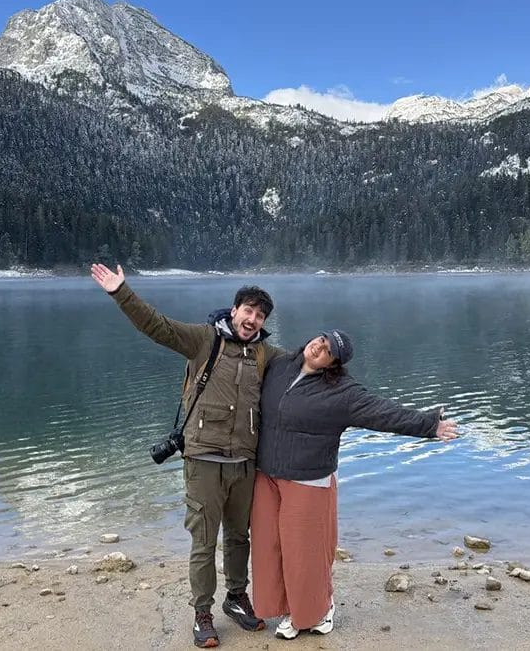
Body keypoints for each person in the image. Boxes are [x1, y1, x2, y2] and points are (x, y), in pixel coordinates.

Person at [90, 263, 283, 649]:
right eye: (248, 310)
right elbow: (156, 325)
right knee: (203, 542)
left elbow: (302, 368)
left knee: (239, 538)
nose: (253, 319)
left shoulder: (265, 354)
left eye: (260, 315)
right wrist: (120, 292)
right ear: (234, 311)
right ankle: (202, 613)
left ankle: (236, 598)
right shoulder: (203, 340)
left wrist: (330, 360)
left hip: (244, 464)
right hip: (204, 461)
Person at [250, 329, 460, 639]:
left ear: (333, 363)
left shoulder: (343, 393)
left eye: (328, 350)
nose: (319, 347)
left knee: (304, 551)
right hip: (267, 474)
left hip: (308, 478)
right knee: (269, 546)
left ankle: (316, 612)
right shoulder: (280, 366)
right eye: (320, 339)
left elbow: (383, 413)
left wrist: (429, 424)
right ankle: (286, 606)